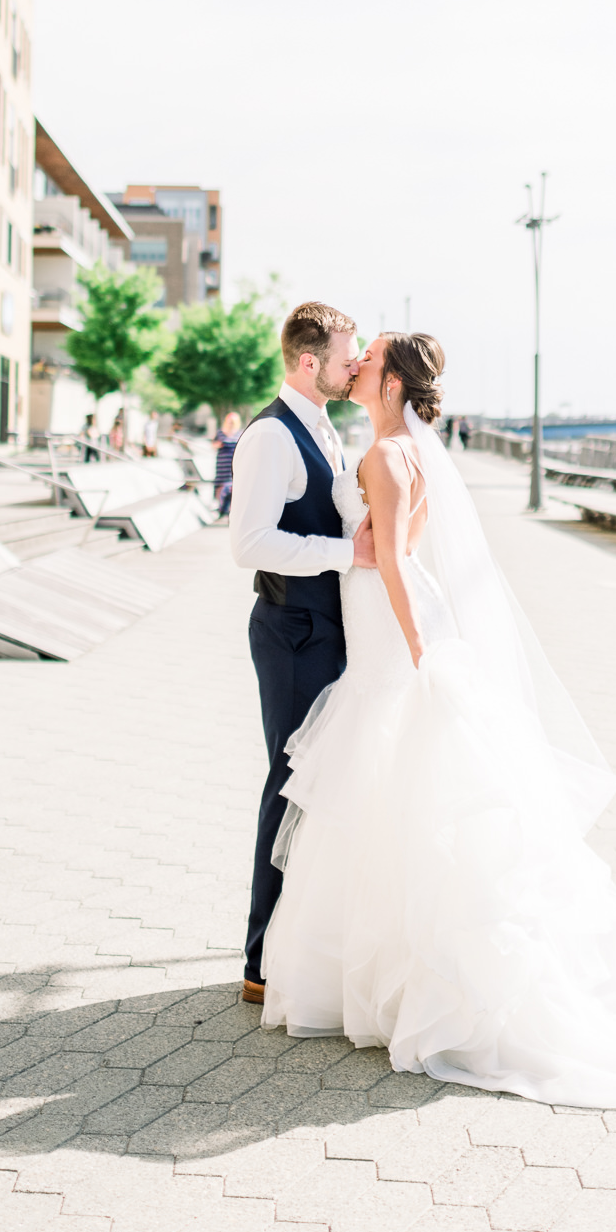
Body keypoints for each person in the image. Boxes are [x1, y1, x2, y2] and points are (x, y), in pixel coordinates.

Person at [258, 331, 616, 1108]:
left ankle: (397, 985)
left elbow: (390, 560)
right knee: (393, 793)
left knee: (390, 790)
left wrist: (420, 649)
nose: (356, 364)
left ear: (389, 384)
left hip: (394, 632)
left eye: (369, 357)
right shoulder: (404, 449)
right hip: (396, 626)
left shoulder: (388, 457)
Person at [228, 302, 377, 1004]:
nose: (356, 362)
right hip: (292, 632)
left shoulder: (324, 427)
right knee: (289, 785)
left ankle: (300, 945)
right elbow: (248, 544)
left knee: (321, 786)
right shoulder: (270, 438)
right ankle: (261, 961)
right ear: (308, 361)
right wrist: (347, 552)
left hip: (327, 628)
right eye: (347, 353)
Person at [213, 411, 242, 518]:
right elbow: (213, 445)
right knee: (221, 485)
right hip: (222, 463)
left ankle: (229, 508)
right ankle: (221, 506)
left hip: (234, 463)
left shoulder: (240, 433)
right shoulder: (220, 433)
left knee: (232, 486)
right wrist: (219, 445)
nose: (230, 424)